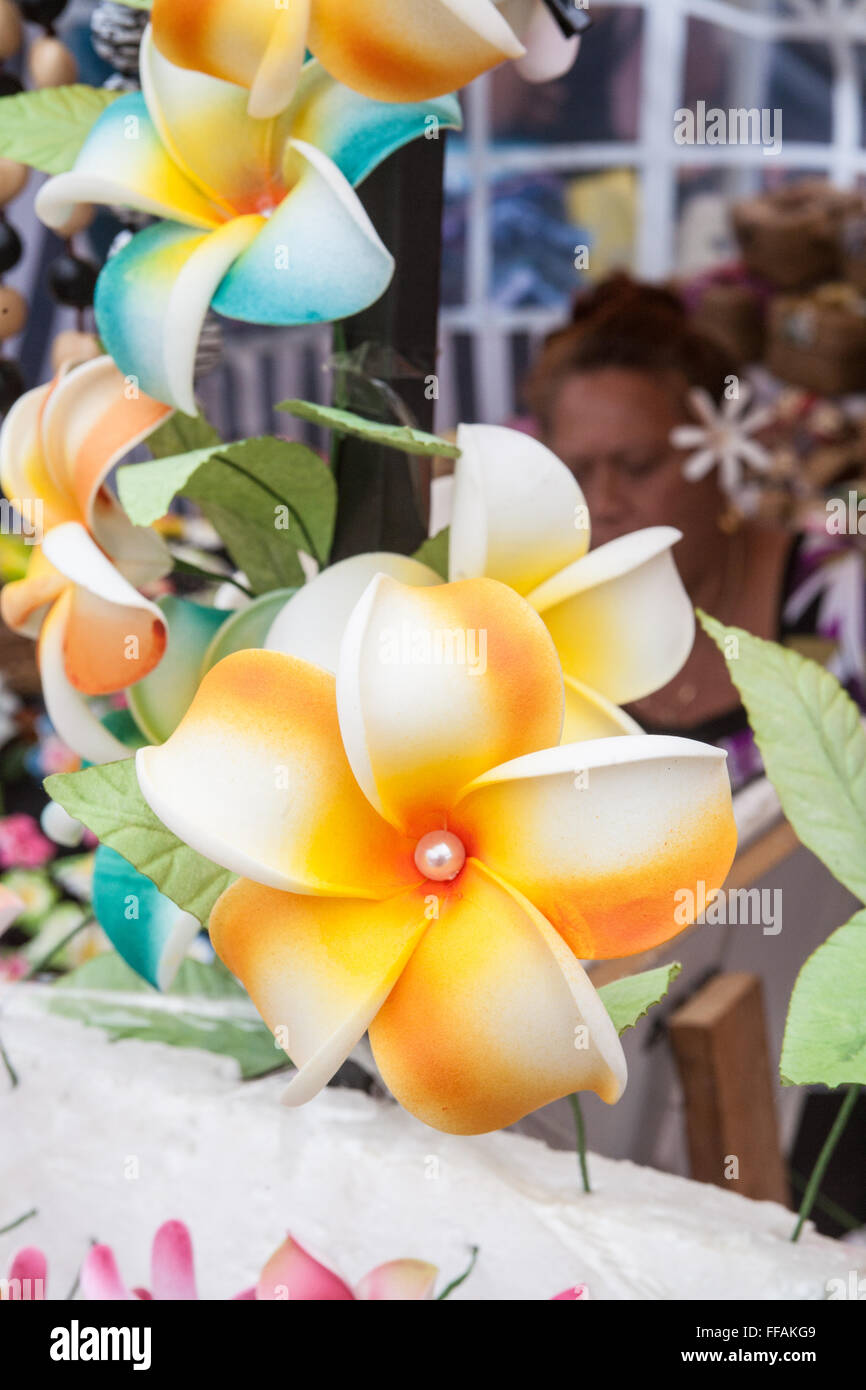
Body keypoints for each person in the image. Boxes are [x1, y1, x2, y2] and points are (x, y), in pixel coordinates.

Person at [524, 274, 864, 787]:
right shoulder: (541, 654)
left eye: (638, 465)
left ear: (723, 457)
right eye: (575, 474)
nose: (603, 503)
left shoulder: (840, 602)